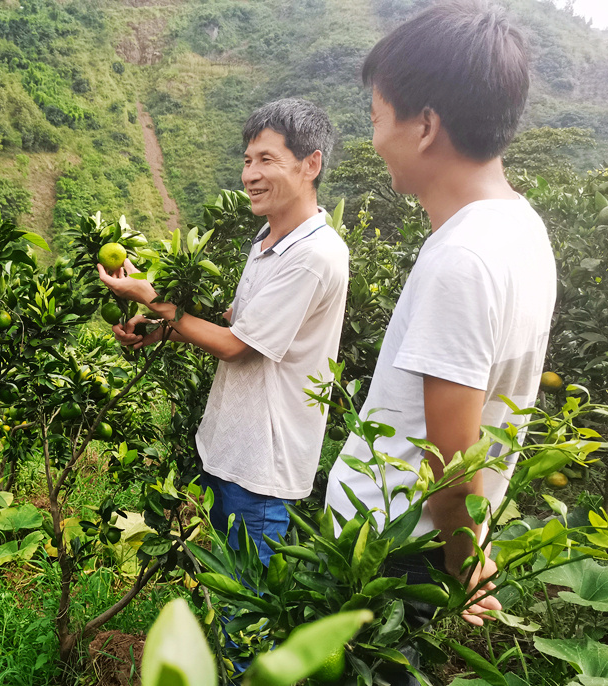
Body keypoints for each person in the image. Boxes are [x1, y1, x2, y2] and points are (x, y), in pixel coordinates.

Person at [325, 0, 556, 641]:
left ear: (425, 125)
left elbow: (450, 462)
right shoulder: (523, 229)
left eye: (377, 119)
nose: (375, 141)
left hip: (387, 558)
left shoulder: (462, 258)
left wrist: (462, 563)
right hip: (408, 552)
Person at [98, 98, 349, 564]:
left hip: (261, 469)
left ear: (310, 164)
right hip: (231, 450)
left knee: (248, 617)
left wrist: (149, 297)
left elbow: (234, 348)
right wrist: (159, 331)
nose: (250, 174)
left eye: (266, 160)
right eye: (247, 160)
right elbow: (240, 330)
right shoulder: (268, 239)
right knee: (225, 601)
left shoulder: (313, 255)